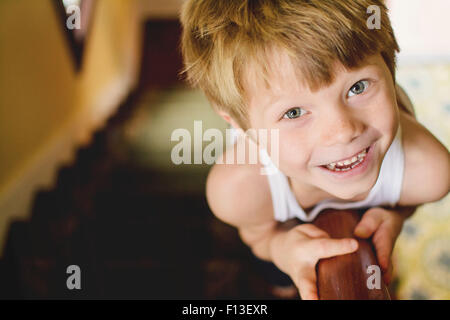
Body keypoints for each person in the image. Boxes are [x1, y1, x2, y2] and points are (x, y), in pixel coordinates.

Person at [180, 0, 450, 299]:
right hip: (273, 211)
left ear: (391, 69)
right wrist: (280, 249)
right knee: (278, 276)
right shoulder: (239, 191)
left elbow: (409, 199)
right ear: (243, 128)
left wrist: (396, 217)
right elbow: (257, 234)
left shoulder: (428, 170)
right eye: (294, 112)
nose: (344, 132)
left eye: (358, 87)